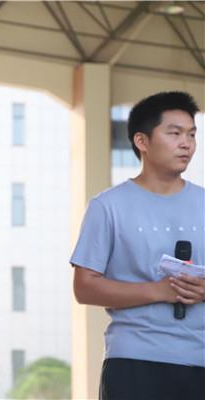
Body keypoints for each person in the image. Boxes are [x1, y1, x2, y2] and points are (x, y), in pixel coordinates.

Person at [70, 91, 205, 400]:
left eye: (191, 134)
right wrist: (158, 291)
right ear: (142, 141)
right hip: (133, 361)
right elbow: (84, 288)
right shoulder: (107, 206)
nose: (186, 143)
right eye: (174, 133)